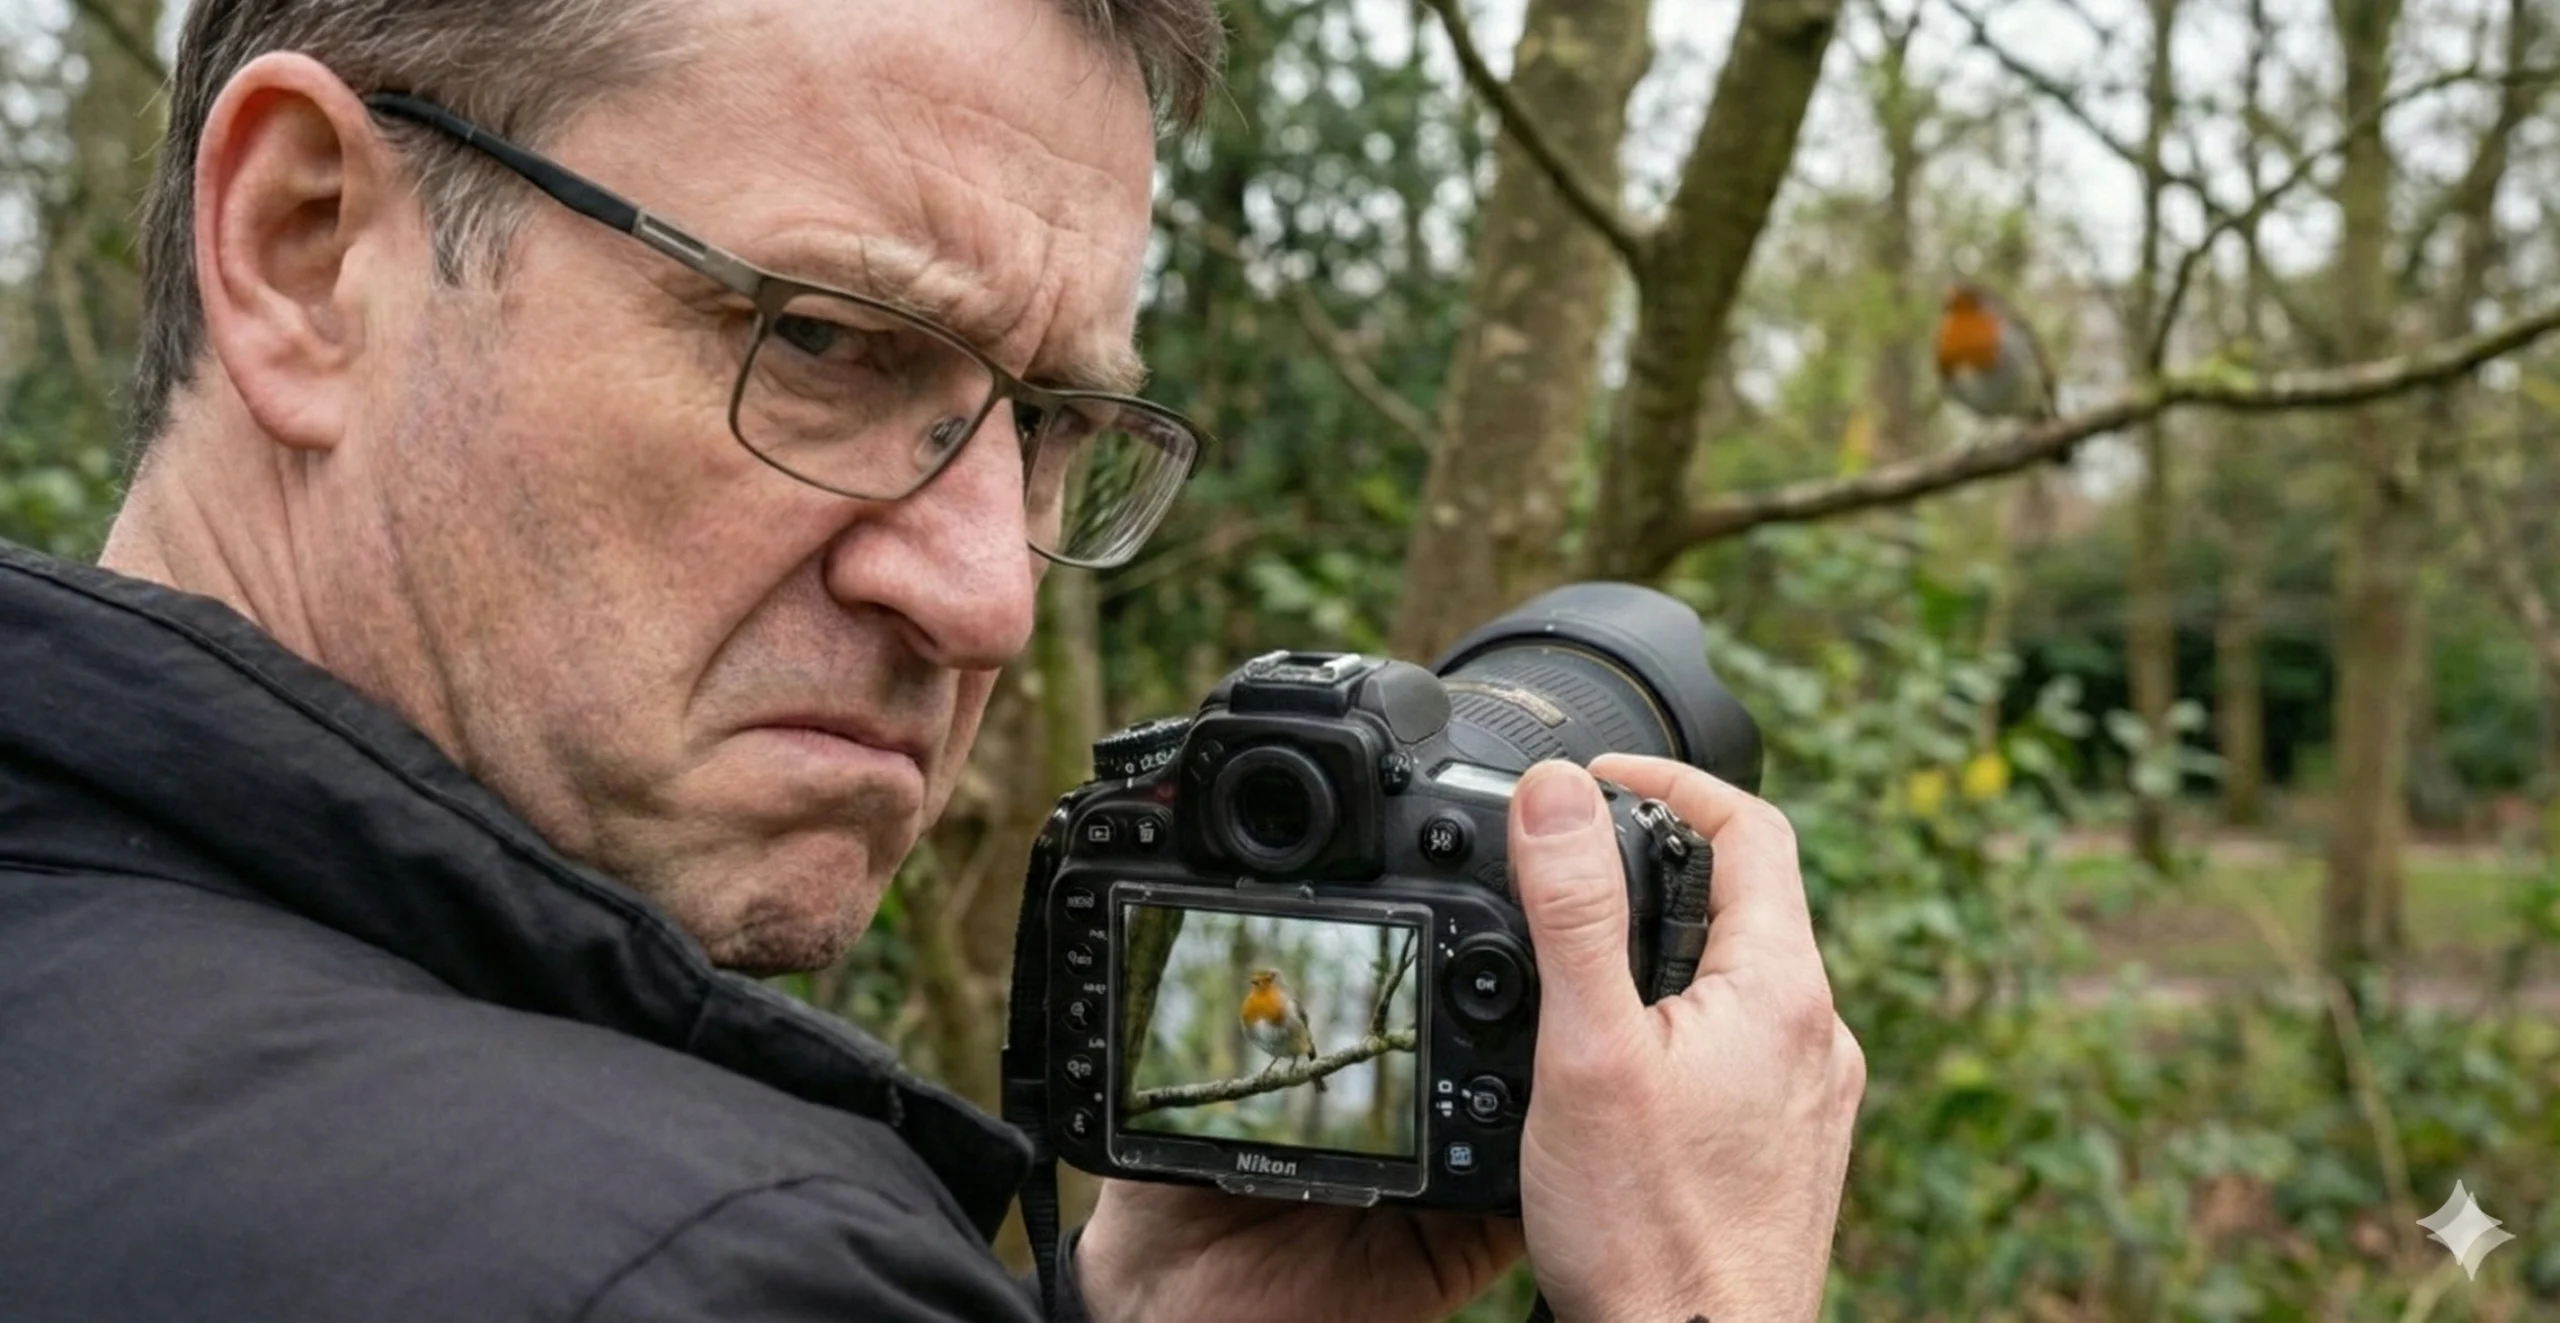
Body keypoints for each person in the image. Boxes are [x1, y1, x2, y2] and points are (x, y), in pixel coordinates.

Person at [0, 0, 1866, 1319]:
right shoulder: (699, 1265)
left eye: (1050, 428)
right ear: (308, 248)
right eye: (823, 342)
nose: (983, 597)